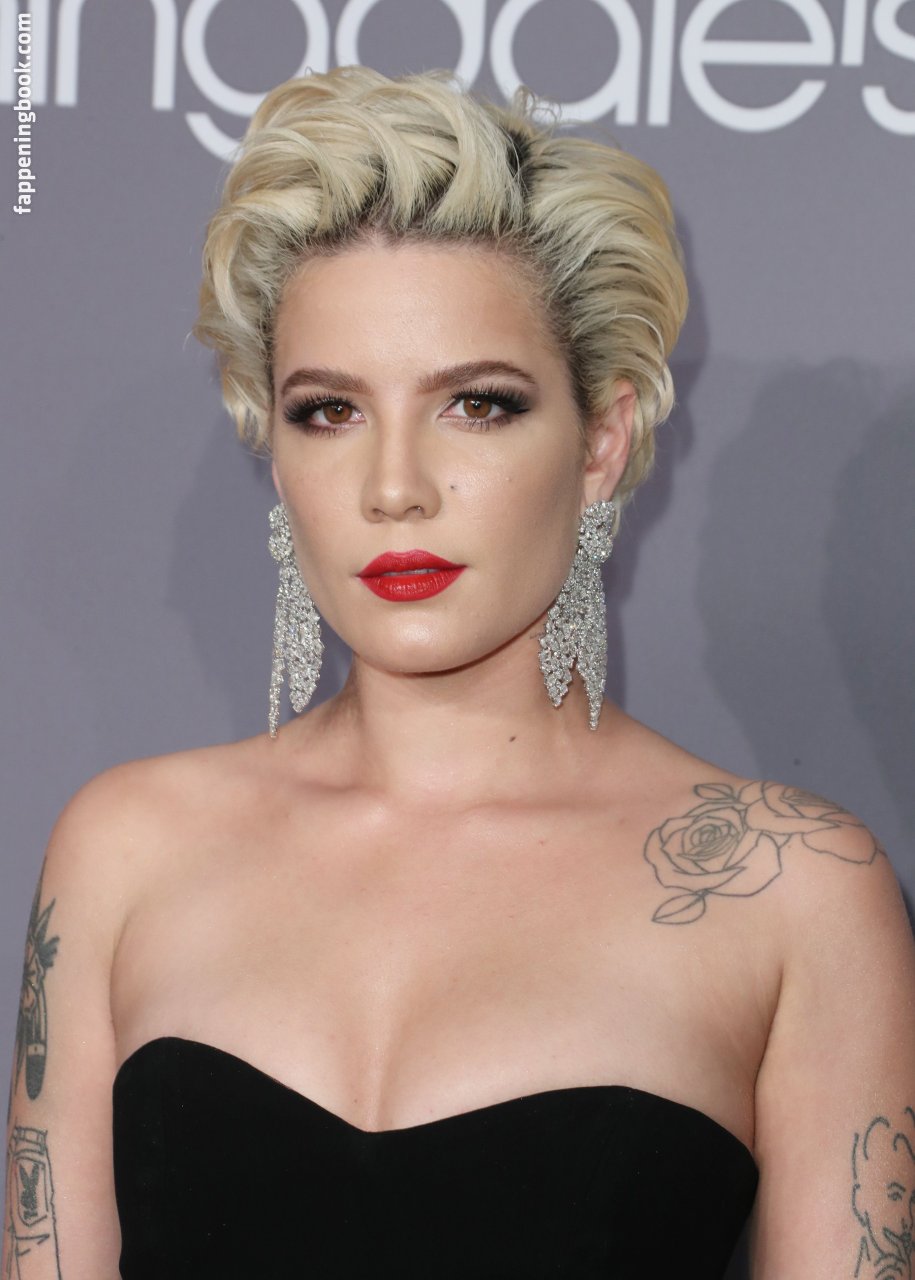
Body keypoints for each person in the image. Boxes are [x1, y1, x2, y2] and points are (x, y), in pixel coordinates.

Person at [3, 64, 914, 1280]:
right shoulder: (125, 851)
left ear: (602, 442)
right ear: (274, 451)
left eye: (477, 405)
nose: (395, 487)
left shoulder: (795, 893)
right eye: (328, 411)